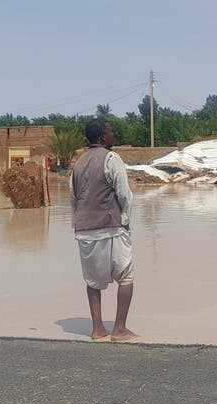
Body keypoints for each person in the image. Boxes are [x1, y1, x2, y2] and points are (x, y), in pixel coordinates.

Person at [70, 119, 137, 342]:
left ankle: (98, 329)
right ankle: (119, 329)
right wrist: (125, 219)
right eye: (110, 131)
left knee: (92, 281)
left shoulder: (78, 164)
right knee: (126, 275)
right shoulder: (111, 158)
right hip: (112, 228)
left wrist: (79, 222)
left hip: (85, 230)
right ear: (102, 137)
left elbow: (73, 197)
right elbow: (125, 194)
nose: (113, 134)